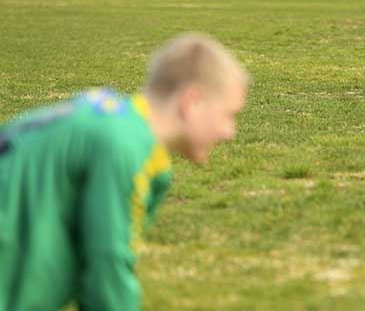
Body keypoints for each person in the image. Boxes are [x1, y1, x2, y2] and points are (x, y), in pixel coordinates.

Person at [0, 34, 249, 310]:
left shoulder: (111, 120)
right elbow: (108, 267)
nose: (230, 132)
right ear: (192, 101)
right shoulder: (125, 145)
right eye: (229, 115)